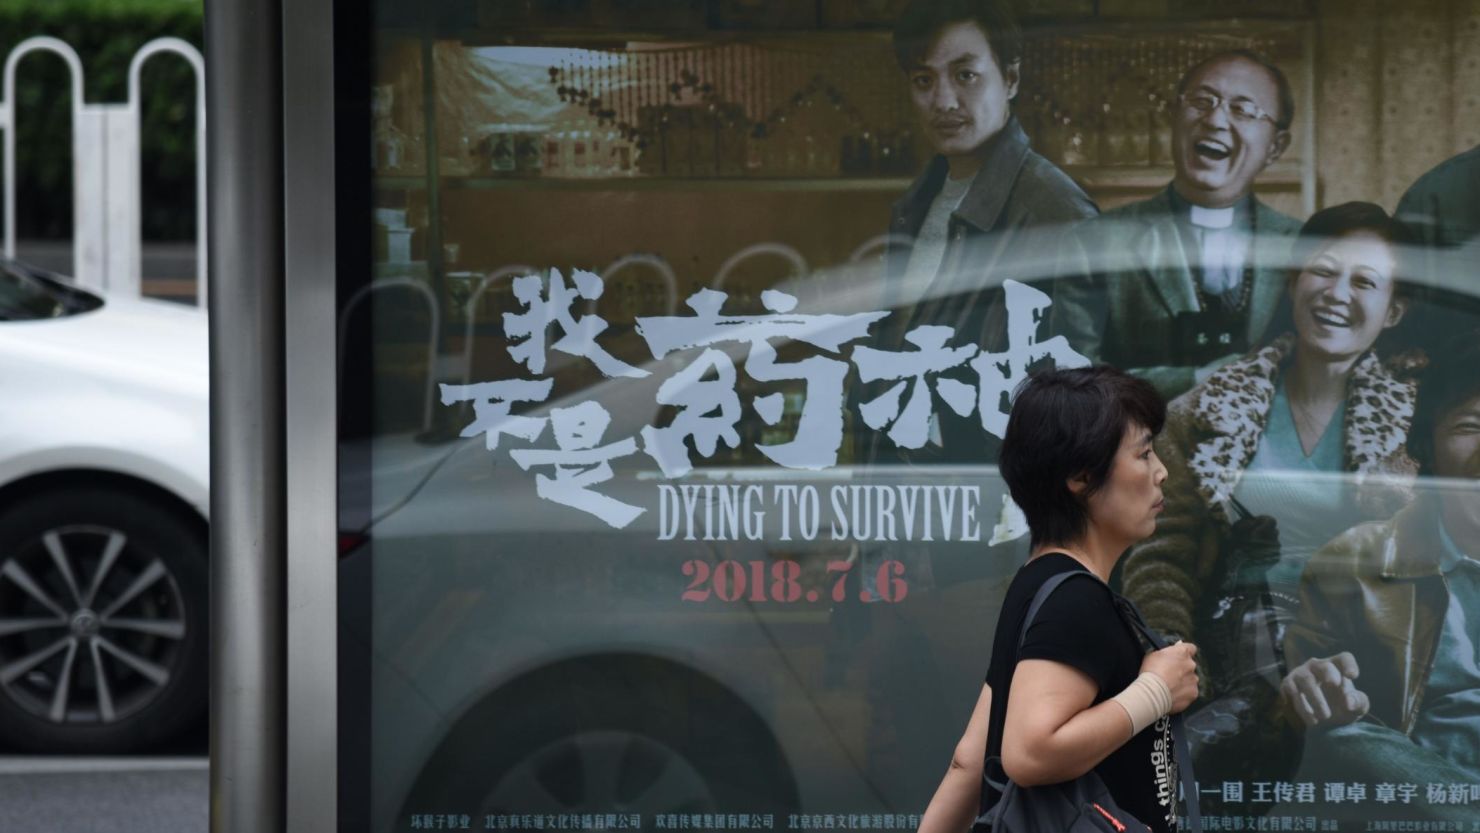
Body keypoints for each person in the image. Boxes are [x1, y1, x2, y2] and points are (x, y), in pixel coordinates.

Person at [1118, 203, 1421, 782]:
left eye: (1364, 282)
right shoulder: (1206, 408)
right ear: (1293, 279)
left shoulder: (1421, 417)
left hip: (1370, 657)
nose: (1337, 293)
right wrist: (1176, 673)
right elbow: (1163, 557)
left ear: (1393, 311)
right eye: (1322, 271)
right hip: (1236, 655)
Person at [917, 366, 1199, 833]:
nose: (1161, 472)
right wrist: (1156, 692)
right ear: (1081, 478)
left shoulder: (1036, 587)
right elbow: (1029, 753)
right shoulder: (1075, 603)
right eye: (1144, 454)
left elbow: (970, 761)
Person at [1279, 331, 1480, 823]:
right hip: (1414, 802)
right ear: (1425, 447)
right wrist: (1309, 692)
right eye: (1469, 427)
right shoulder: (1356, 560)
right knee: (1345, 740)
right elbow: (1306, 729)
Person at [1052, 50, 1303, 400]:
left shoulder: (1303, 248)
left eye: (1243, 110)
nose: (1215, 120)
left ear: (1276, 148)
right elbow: (1068, 376)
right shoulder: (1094, 242)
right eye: (1202, 101)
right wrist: (1198, 378)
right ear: (1173, 115)